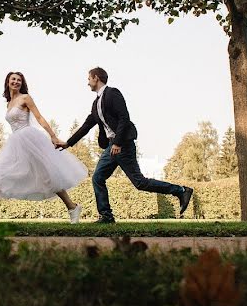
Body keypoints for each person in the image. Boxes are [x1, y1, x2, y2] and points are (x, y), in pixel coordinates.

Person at [56, 67, 194, 223]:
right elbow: (87, 125)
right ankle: (106, 216)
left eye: (88, 79)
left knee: (140, 183)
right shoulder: (96, 104)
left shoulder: (113, 93)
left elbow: (124, 118)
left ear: (96, 78)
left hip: (123, 144)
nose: (87, 83)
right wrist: (68, 143)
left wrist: (118, 142)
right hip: (111, 147)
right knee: (98, 177)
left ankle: (181, 191)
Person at [0, 71, 86, 223]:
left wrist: (52, 136)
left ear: (22, 83)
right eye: (13, 79)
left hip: (29, 139)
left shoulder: (25, 98)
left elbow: (39, 117)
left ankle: (72, 207)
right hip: (15, 142)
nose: (16, 82)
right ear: (8, 82)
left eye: (19, 80)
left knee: (48, 176)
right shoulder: (9, 103)